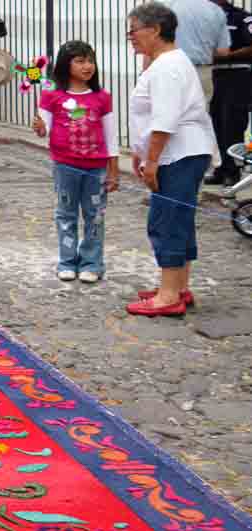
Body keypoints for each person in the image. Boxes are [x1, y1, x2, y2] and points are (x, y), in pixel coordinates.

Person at [126, 1, 220, 317]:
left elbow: (164, 120)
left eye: (134, 29)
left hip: (178, 153)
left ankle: (168, 296)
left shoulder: (167, 67)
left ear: (154, 30)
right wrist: (141, 153)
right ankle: (178, 285)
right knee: (178, 218)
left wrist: (151, 160)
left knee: (166, 219)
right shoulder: (166, 62)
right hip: (182, 152)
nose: (130, 36)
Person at [31, 41, 120, 284]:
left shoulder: (102, 97)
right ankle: (67, 261)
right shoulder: (51, 95)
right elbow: (45, 128)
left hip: (96, 168)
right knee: (65, 214)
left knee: (95, 216)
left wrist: (113, 170)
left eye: (90, 60)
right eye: (80, 61)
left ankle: (92, 263)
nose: (87, 66)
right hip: (64, 167)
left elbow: (111, 136)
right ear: (65, 64)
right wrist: (40, 127)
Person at [205, 0, 252, 187]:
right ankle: (221, 168)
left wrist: (228, 55)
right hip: (214, 74)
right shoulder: (205, 17)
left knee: (231, 124)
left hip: (237, 75)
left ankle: (233, 172)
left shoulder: (241, 17)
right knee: (214, 123)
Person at [163, 0, 229, 103]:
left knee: (168, 111)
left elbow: (151, 44)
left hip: (170, 70)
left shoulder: (165, 7)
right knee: (199, 114)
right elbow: (223, 52)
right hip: (202, 71)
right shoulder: (216, 10)